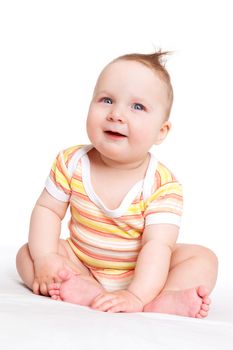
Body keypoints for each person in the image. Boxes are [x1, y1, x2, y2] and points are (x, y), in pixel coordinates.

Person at [16, 51, 218, 318]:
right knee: (26, 254)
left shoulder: (161, 184)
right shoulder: (71, 162)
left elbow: (157, 246)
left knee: (203, 260)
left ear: (161, 131)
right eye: (107, 100)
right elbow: (48, 211)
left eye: (137, 107)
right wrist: (45, 259)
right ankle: (82, 287)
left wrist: (136, 294)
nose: (116, 114)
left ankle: (162, 298)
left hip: (144, 274)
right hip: (82, 263)